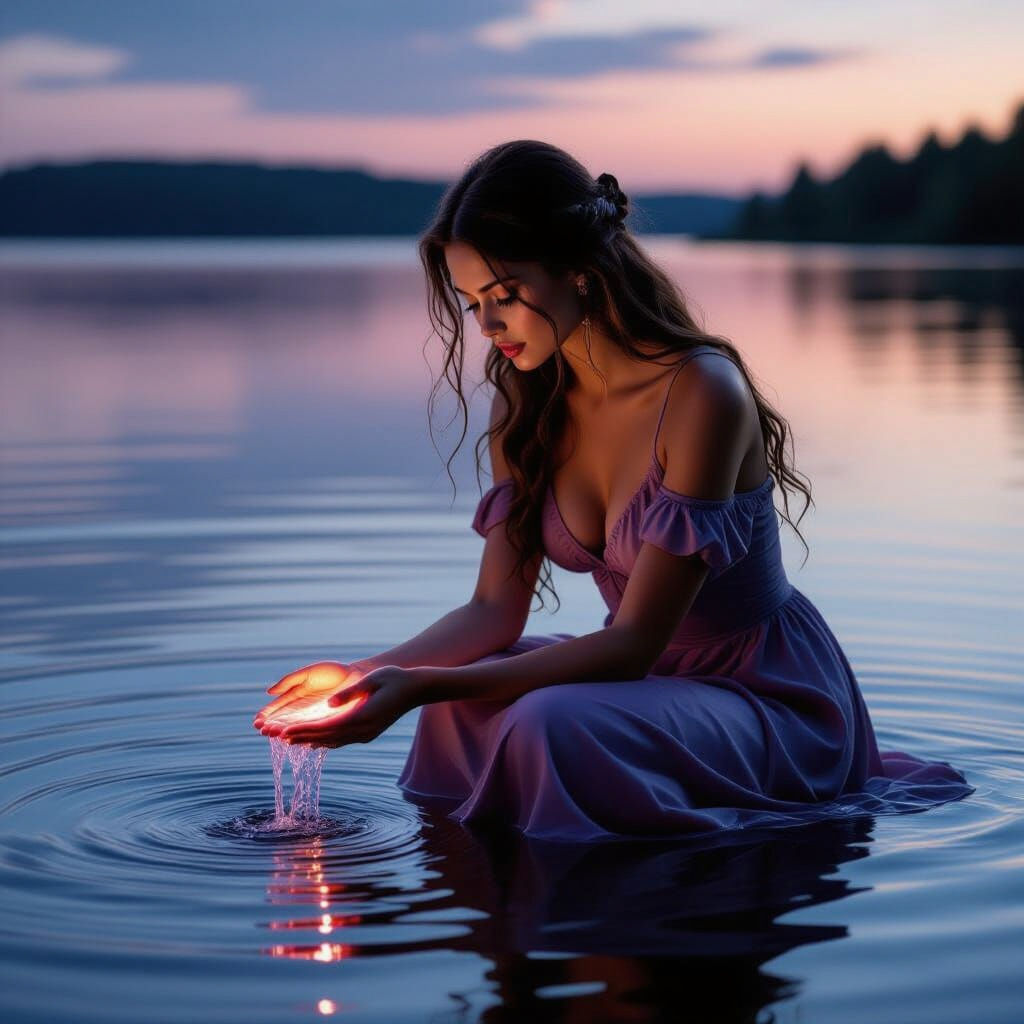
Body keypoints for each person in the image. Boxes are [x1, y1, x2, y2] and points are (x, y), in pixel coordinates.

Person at [254, 140, 972, 842]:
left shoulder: (700, 394)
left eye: (505, 295)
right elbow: (493, 611)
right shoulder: (524, 402)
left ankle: (582, 905)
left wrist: (416, 686)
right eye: (472, 302)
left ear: (581, 271)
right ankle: (484, 910)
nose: (488, 326)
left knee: (542, 722)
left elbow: (632, 644)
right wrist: (367, 673)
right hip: (647, 680)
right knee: (458, 703)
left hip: (766, 696)